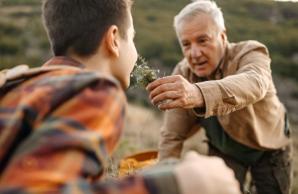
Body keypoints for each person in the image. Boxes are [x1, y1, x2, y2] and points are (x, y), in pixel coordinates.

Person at [0, 0, 240, 194]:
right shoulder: (93, 90)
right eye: (132, 38)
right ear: (114, 39)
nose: (135, 51)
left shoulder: (17, 85)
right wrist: (177, 183)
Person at [147, 0, 292, 194]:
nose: (194, 53)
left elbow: (255, 83)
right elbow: (173, 135)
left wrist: (197, 93)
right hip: (224, 151)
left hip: (269, 148)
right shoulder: (183, 71)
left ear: (222, 37)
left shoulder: (251, 52)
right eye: (186, 44)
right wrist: (162, 182)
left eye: (203, 40)